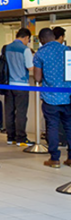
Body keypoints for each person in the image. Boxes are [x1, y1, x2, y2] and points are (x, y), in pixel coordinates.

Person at [33, 28, 71, 168]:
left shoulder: (40, 53)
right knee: (69, 127)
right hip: (68, 95)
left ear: (42, 40)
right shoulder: (67, 50)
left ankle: (54, 159)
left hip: (50, 97)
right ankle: (70, 158)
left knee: (52, 126)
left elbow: (37, 78)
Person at [4, 28, 35, 147]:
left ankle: (10, 137)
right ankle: (21, 138)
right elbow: (30, 67)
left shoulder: (7, 48)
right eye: (28, 40)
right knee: (21, 112)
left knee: (9, 111)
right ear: (26, 37)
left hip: (8, 84)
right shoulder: (25, 49)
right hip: (21, 85)